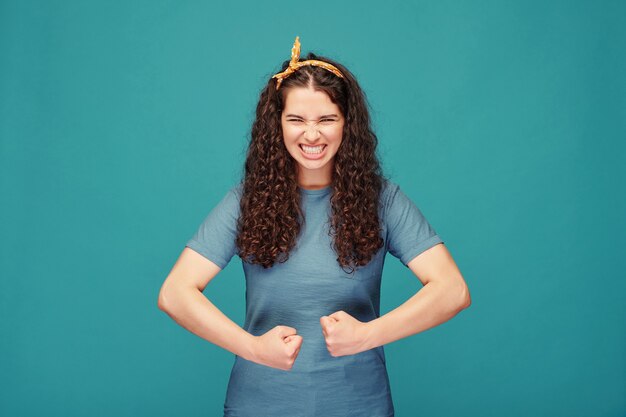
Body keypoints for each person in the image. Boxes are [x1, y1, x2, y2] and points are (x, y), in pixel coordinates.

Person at [158, 36, 471, 417]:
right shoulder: (245, 200)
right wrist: (252, 347)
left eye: (326, 119)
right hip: (258, 406)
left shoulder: (384, 200)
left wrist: (368, 335)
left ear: (347, 124)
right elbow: (175, 293)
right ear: (277, 125)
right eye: (296, 120)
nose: (311, 134)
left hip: (360, 407)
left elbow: (452, 290)